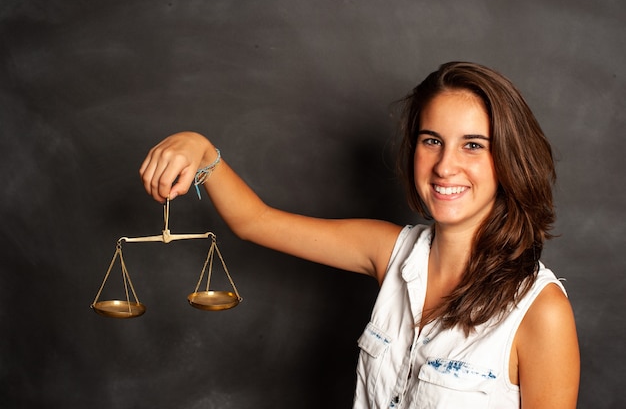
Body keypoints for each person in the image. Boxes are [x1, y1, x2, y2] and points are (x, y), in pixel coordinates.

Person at [139, 61, 579, 408]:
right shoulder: (390, 252)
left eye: (473, 145)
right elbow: (254, 221)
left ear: (510, 159)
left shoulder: (541, 312)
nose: (445, 166)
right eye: (431, 141)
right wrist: (201, 148)